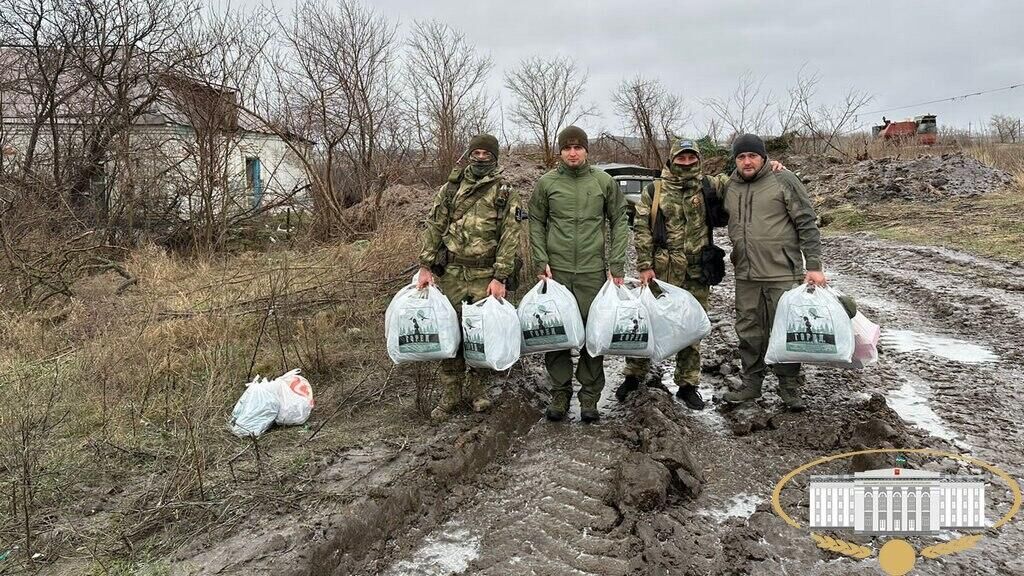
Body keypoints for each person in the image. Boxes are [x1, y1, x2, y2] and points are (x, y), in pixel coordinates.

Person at [618, 139, 784, 410]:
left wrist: (772, 165)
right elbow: (641, 229)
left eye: (691, 158)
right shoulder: (654, 189)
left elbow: (743, 176)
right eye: (681, 159)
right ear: (672, 160)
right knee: (647, 323)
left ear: (698, 160)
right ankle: (634, 375)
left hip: (697, 271)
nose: (686, 163)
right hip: (662, 270)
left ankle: (687, 384)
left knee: (691, 327)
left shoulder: (710, 185)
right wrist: (644, 266)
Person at [416, 133, 523, 421]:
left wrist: (500, 276)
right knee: (450, 333)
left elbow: (510, 236)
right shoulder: (451, 189)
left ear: (494, 156)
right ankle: (450, 395)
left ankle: (479, 391)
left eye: (486, 154)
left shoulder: (504, 191)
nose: (480, 157)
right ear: (469, 154)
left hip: (485, 275)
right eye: (475, 152)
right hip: (451, 273)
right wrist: (426, 266)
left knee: (480, 334)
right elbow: (434, 226)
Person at [529, 126, 629, 423]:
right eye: (567, 148)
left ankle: (589, 398)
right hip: (556, 273)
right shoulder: (547, 183)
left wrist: (617, 263)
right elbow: (536, 222)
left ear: (587, 150)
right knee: (556, 334)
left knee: (591, 334)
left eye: (578, 147)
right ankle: (560, 394)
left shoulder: (603, 182)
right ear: (560, 152)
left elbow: (619, 220)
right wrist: (540, 260)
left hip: (591, 272)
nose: (573, 153)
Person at [719, 134, 824, 411]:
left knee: (784, 331)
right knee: (748, 330)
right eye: (741, 157)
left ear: (763, 157)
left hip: (782, 272)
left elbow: (807, 222)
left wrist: (814, 265)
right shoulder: (730, 186)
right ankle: (751, 384)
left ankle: (789, 389)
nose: (747, 161)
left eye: (752, 155)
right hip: (746, 274)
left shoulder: (783, 179)